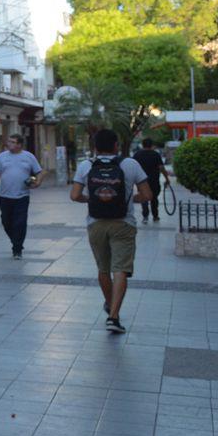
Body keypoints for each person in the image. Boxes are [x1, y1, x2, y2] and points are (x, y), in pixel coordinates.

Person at [71, 128, 152, 334]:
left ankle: (109, 304)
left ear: (95, 147)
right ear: (116, 145)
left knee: (103, 269)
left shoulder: (86, 165)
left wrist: (93, 199)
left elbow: (74, 196)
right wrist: (130, 200)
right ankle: (113, 317)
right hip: (123, 223)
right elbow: (147, 194)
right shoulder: (130, 164)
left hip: (96, 223)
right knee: (120, 270)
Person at [0, 134, 42, 259]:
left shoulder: (28, 156)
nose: (9, 144)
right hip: (5, 196)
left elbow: (39, 172)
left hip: (22, 196)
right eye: (9, 141)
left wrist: (38, 182)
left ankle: (17, 249)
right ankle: (16, 241)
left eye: (12, 142)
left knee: (20, 222)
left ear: (19, 144)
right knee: (6, 221)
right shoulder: (2, 156)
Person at [130, 138, 172, 223]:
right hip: (154, 180)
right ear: (151, 145)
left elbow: (133, 167)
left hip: (141, 181)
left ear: (143, 145)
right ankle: (155, 216)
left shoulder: (137, 154)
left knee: (143, 197)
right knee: (154, 198)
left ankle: (145, 216)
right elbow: (161, 168)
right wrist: (167, 179)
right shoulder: (156, 154)